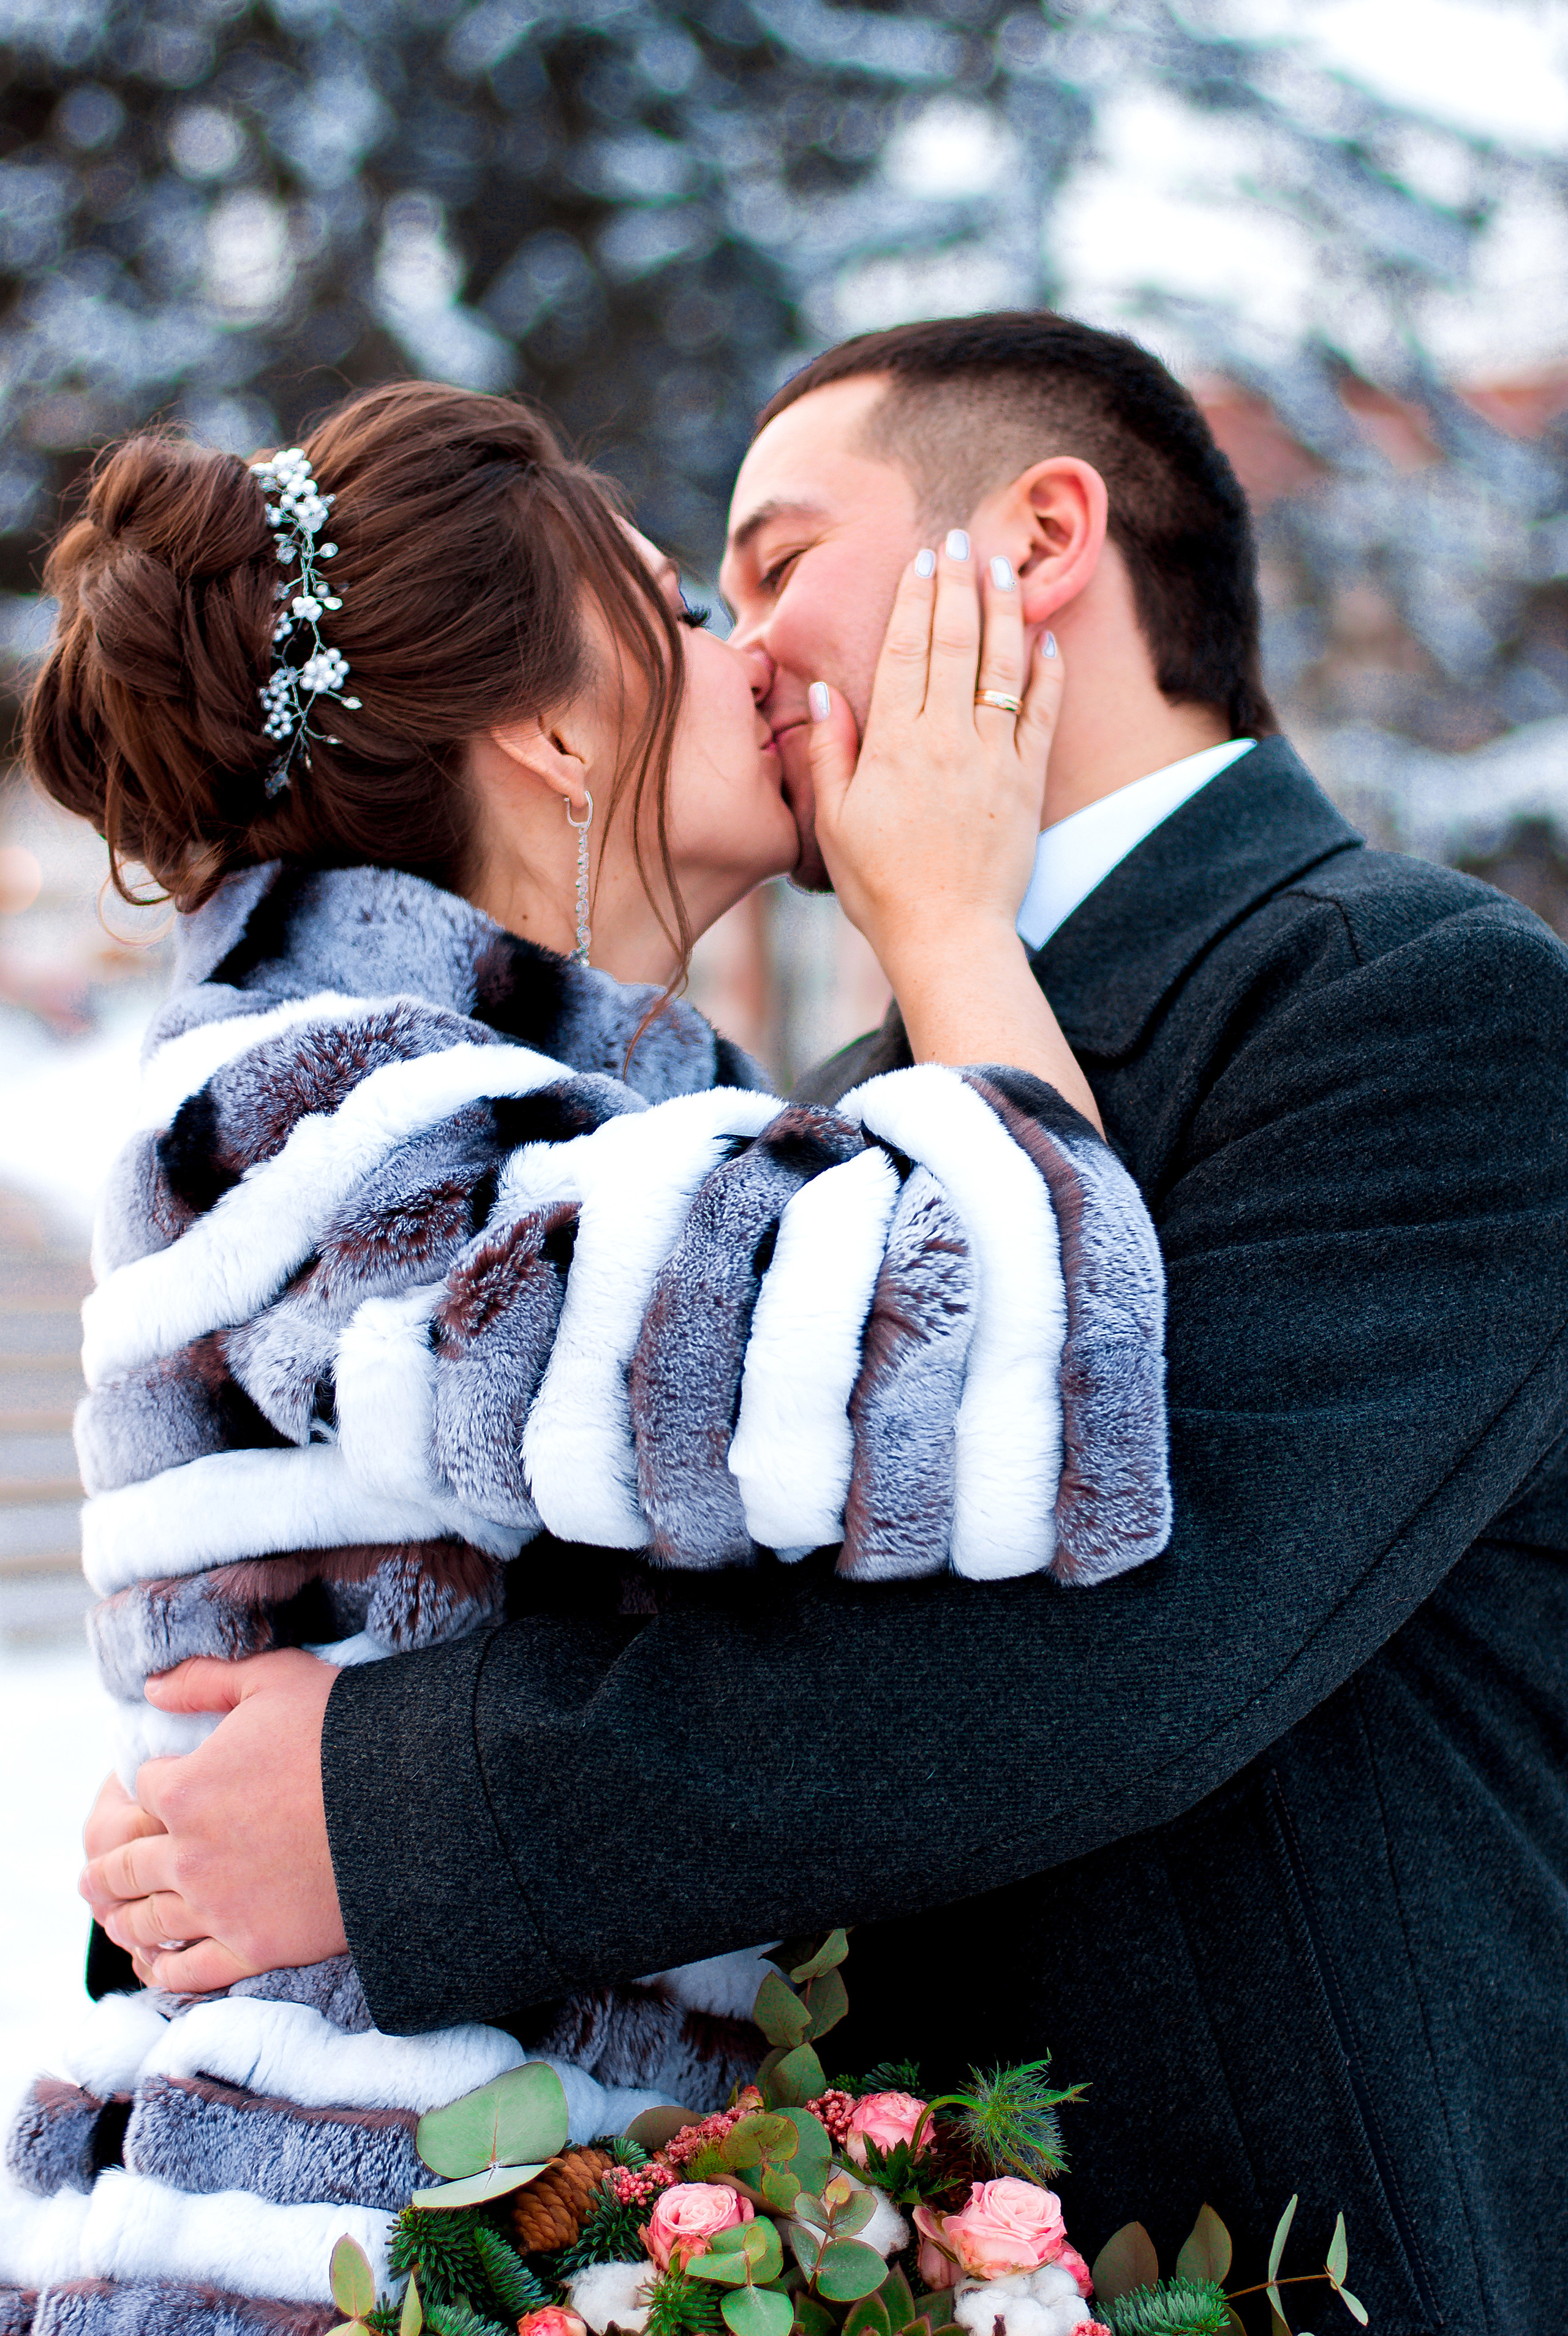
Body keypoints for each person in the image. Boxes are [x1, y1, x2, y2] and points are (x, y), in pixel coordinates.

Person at [72, 315, 1568, 2334]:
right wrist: (209, 1819)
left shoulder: (1416, 1005)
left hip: (1284, 2246)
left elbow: (1124, 1646)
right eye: (697, 600)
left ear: (1042, 539)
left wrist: (375, 1810)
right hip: (767, 2240)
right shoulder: (810, 1124)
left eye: (768, 568)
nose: (749, 648)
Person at [2, 377, 1169, 2321]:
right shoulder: (320, 1110)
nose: (760, 659)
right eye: (692, 620)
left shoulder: (575, 1126)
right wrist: (953, 923)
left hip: (478, 2227)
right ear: (551, 728)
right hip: (327, 2252)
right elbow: (1018, 1404)